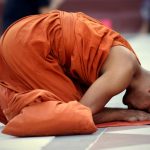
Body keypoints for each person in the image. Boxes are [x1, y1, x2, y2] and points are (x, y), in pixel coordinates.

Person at [0, 10, 150, 136]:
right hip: (30, 44)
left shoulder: (128, 57)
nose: (136, 109)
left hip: (24, 32)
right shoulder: (123, 71)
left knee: (68, 105)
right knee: (67, 113)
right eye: (147, 108)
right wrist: (121, 114)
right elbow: (83, 111)